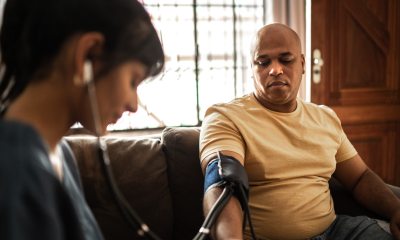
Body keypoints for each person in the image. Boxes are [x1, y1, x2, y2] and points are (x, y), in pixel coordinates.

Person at [199, 23, 400, 240]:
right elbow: (222, 182)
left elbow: (360, 177)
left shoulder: (325, 118)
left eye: (286, 59)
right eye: (263, 62)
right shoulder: (226, 117)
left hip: (336, 232)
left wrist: (396, 209)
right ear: (252, 69)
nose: (275, 70)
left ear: (303, 64)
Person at [0, 0, 164, 239]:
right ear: (88, 54)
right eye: (133, 81)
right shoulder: (14, 171)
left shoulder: (60, 153)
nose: (133, 105)